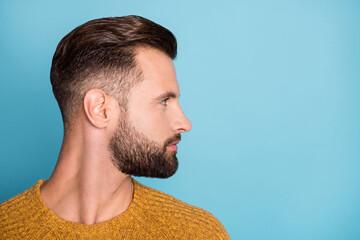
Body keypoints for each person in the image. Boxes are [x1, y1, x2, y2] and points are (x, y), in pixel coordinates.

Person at [0, 15, 230, 239]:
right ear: (100, 109)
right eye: (163, 101)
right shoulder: (6, 227)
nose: (184, 123)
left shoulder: (196, 233)